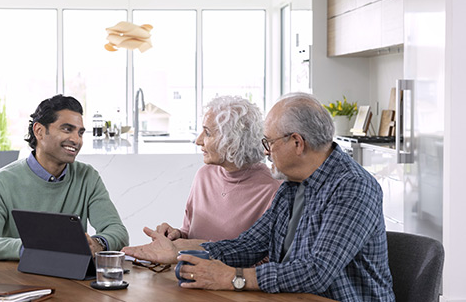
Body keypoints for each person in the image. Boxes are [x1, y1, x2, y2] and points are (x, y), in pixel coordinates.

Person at [122, 92, 395, 301]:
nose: (265, 151)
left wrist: (234, 278)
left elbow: (316, 272)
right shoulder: (291, 185)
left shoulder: (353, 187)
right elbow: (248, 246)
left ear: (297, 143)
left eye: (269, 143)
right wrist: (179, 252)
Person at [0, 94, 129, 260]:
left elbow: (117, 230)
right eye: (67, 129)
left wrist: (97, 244)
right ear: (39, 131)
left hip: (71, 279)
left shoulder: (88, 177)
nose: (76, 140)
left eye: (80, 133)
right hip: (18, 280)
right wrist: (36, 247)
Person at [156, 96, 282, 242]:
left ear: (232, 141)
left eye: (208, 133)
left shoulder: (271, 189)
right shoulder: (204, 175)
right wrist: (176, 235)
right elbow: (189, 232)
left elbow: (267, 257)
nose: (198, 141)